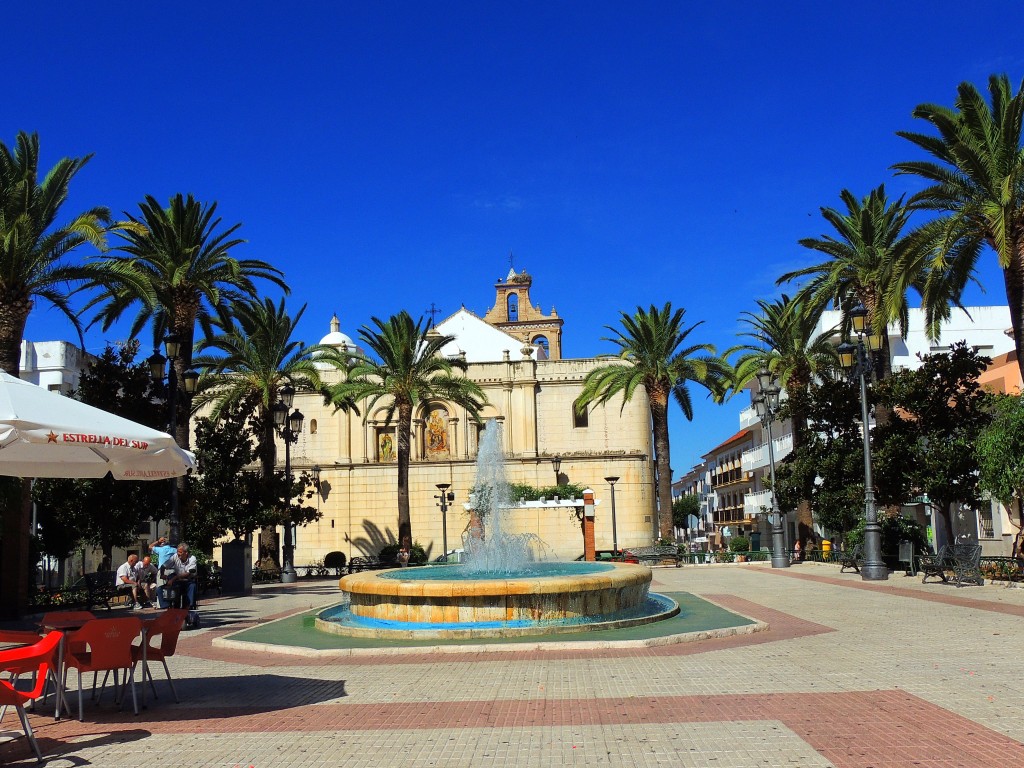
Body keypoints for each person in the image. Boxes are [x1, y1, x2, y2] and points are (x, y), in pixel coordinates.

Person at [162, 543, 198, 610]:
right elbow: (164, 565)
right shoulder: (175, 556)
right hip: (178, 581)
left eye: (180, 552)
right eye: (177, 551)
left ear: (186, 553)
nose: (178, 553)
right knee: (166, 588)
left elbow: (188, 573)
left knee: (192, 586)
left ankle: (189, 606)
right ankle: (171, 606)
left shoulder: (192, 558)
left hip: (188, 580)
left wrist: (174, 578)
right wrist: (162, 574)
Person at [150, 537, 178, 608]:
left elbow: (150, 547)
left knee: (160, 587)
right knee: (172, 586)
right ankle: (173, 602)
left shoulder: (160, 549)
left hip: (162, 570)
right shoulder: (174, 550)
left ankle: (162, 604)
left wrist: (158, 541)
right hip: (173, 570)